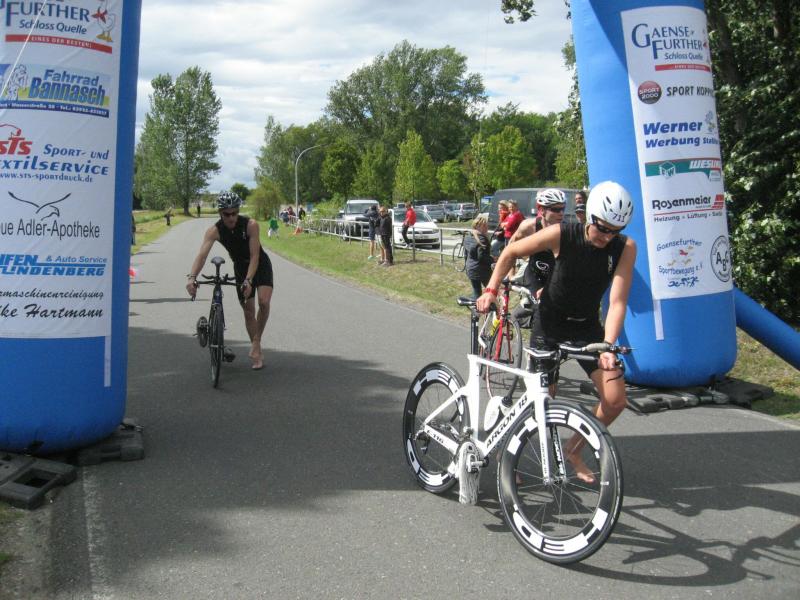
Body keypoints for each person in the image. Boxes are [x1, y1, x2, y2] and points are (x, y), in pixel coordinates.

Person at [476, 181, 636, 482]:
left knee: (615, 399)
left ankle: (573, 449)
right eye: (602, 228)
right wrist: (491, 290)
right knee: (542, 402)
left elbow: (617, 302)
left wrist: (608, 345)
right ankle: (506, 451)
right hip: (550, 324)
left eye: (615, 230)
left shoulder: (625, 247)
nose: (607, 237)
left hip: (587, 327)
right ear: (590, 217)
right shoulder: (563, 234)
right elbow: (511, 252)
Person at [185, 190, 274, 370]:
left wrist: (249, 280)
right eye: (227, 214)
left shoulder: (250, 225)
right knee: (248, 310)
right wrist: (192, 277)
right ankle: (257, 351)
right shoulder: (214, 231)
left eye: (235, 213)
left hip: (260, 264)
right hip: (240, 267)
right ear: (220, 213)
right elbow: (202, 256)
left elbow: (255, 256)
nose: (232, 217)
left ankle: (256, 343)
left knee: (264, 302)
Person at [508, 188, 566, 326]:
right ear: (541, 210)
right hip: (534, 275)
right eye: (556, 209)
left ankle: (524, 311)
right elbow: (511, 247)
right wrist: (511, 272)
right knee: (544, 309)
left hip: (553, 277)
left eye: (563, 209)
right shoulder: (529, 227)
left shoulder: (566, 231)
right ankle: (519, 318)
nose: (561, 213)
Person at [464, 215, 493, 298]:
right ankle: (490, 305)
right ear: (476, 226)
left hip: (470, 268)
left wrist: (467, 267)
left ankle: (475, 304)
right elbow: (482, 257)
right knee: (490, 292)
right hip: (481, 270)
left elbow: (465, 255)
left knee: (476, 292)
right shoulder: (482, 239)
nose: (486, 228)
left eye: (486, 226)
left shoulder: (468, 237)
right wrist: (493, 260)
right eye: (484, 226)